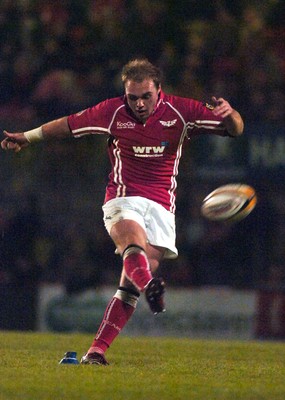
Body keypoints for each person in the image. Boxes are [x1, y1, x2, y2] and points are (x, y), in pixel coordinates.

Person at [1, 58, 244, 365]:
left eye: (145, 96)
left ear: (159, 90)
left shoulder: (182, 111)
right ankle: (151, 286)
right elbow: (68, 125)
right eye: (133, 97)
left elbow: (234, 130)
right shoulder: (112, 112)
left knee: (128, 287)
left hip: (161, 207)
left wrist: (231, 114)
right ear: (125, 94)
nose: (139, 104)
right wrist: (28, 136)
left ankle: (96, 352)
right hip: (123, 197)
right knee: (131, 243)